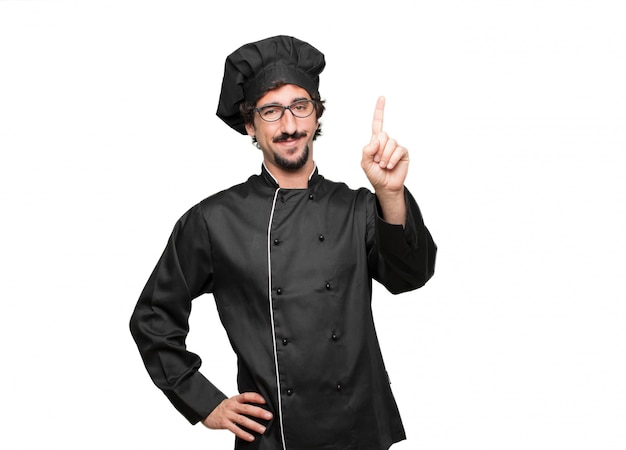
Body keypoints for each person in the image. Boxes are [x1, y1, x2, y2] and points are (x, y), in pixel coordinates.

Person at [130, 35, 437, 450]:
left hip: (360, 431)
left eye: (300, 106)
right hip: (273, 438)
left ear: (316, 115)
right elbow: (153, 317)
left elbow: (410, 276)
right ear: (250, 124)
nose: (289, 125)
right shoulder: (214, 220)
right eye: (271, 111)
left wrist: (391, 193)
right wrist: (206, 403)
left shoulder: (358, 208)